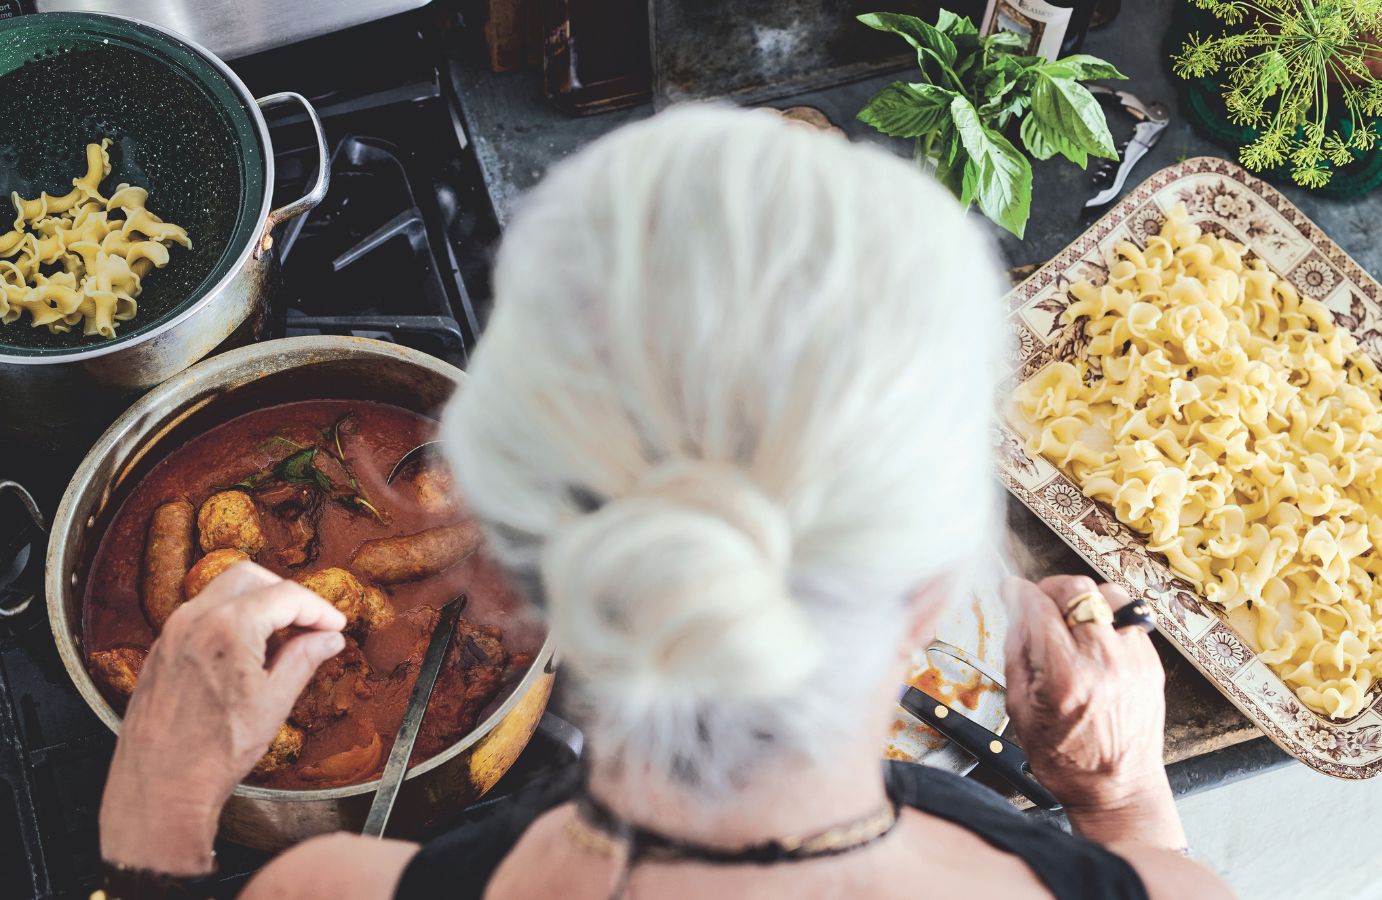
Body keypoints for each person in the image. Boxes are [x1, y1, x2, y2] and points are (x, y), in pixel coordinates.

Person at [95, 107, 1233, 900]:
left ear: (495, 578)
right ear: (942, 583)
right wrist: (1121, 798)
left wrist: (161, 802)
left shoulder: (331, 887)